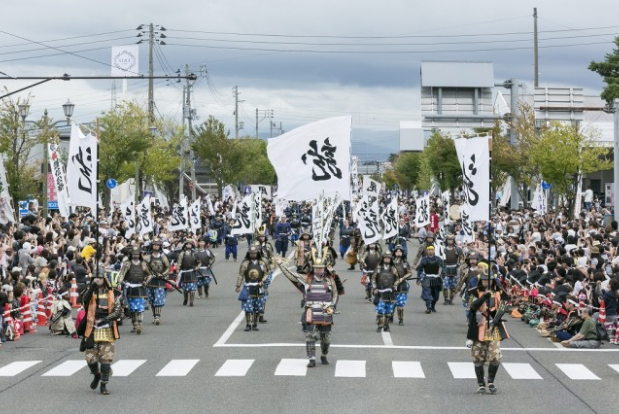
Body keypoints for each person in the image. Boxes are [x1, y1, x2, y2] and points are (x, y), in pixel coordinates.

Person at [275, 249, 338, 368]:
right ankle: (311, 359)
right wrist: (280, 264)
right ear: (313, 268)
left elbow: (335, 294)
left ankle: (324, 354)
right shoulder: (306, 279)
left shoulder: (330, 280)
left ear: (324, 268)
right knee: (310, 335)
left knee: (326, 338)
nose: (319, 270)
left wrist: (333, 305)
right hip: (311, 310)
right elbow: (290, 275)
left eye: (321, 268)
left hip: (325, 311)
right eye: (317, 268)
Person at [467, 263, 509, 394]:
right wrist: (484, 297)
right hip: (479, 326)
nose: (486, 282)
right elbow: (472, 308)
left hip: (494, 327)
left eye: (489, 280)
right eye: (484, 280)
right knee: (478, 358)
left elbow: (503, 306)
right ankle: (481, 383)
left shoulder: (498, 293)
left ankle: (491, 381)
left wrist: (496, 319)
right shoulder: (475, 292)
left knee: (495, 357)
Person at [80, 270, 121, 395]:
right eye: (95, 278)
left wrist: (105, 318)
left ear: (104, 279)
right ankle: (96, 375)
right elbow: (84, 302)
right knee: (90, 359)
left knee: (106, 361)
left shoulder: (112, 293)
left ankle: (104, 385)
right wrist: (92, 288)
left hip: (107, 328)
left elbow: (118, 311)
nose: (98, 280)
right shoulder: (88, 292)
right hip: (92, 329)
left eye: (100, 278)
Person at [117, 246, 152, 334]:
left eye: (137, 254)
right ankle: (134, 324)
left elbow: (150, 274)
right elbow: (122, 274)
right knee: (132, 308)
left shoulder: (144, 263)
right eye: (134, 254)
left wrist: (145, 282)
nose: (136, 256)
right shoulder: (127, 263)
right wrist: (118, 283)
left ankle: (139, 324)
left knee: (139, 307)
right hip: (130, 287)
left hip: (140, 286)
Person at [236, 245, 269, 331]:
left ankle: (255, 324)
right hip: (248, 286)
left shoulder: (262, 263)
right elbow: (241, 275)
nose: (253, 255)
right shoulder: (245, 263)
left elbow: (266, 273)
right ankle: (248, 324)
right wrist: (238, 285)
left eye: (254, 253)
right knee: (248, 307)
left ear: (257, 253)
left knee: (257, 307)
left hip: (259, 287)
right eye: (251, 253)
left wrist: (262, 280)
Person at [371, 251, 400, 332]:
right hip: (380, 291)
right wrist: (374, 288)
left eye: (388, 258)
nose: (387, 259)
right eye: (385, 258)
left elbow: (397, 279)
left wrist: (395, 285)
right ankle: (380, 325)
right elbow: (373, 279)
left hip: (390, 292)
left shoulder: (393, 269)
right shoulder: (379, 268)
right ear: (383, 259)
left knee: (389, 311)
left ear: (390, 259)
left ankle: (386, 326)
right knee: (380, 310)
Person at [145, 238, 170, 325]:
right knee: (151, 300)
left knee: (158, 299)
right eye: (154, 245)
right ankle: (154, 315)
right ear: (152, 246)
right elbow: (144, 267)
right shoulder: (147, 257)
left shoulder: (163, 256)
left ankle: (157, 316)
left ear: (160, 246)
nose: (156, 246)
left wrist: (162, 274)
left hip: (159, 280)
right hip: (150, 280)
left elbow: (168, 268)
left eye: (157, 245)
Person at [416, 245, 444, 314]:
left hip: (436, 278)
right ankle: (428, 307)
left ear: (434, 251)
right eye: (429, 250)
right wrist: (418, 278)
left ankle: (432, 306)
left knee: (436, 296)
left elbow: (443, 267)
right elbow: (419, 269)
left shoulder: (438, 259)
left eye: (432, 250)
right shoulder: (424, 259)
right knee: (427, 293)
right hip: (427, 278)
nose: (430, 251)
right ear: (427, 251)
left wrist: (443, 274)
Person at [392, 245, 412, 326]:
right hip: (392, 285)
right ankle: (390, 316)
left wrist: (402, 278)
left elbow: (410, 273)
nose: (398, 253)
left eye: (400, 251)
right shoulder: (390, 262)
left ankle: (401, 320)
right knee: (392, 303)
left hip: (402, 285)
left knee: (400, 304)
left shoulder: (405, 262)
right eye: (397, 251)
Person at [177, 240, 200, 307]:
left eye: (190, 244)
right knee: (185, 289)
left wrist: (197, 267)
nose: (188, 245)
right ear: (185, 246)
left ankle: (191, 302)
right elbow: (179, 263)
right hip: (184, 272)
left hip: (192, 272)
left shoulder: (195, 253)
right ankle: (185, 299)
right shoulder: (182, 254)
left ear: (192, 245)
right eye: (187, 244)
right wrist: (178, 270)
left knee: (192, 289)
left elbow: (199, 262)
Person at [442, 235, 463, 305]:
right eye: (448, 240)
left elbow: (461, 259)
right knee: (445, 285)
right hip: (445, 268)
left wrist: (460, 265)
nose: (450, 241)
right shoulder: (443, 249)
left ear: (453, 241)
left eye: (451, 240)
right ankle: (445, 299)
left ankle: (451, 299)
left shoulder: (457, 249)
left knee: (453, 286)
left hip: (454, 268)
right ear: (446, 241)